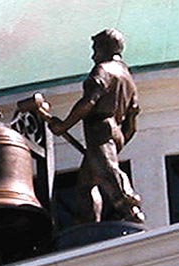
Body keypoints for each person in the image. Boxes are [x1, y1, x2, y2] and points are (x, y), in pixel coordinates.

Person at [49, 28, 145, 224]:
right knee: (86, 186)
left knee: (108, 172)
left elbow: (89, 102)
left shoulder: (103, 70)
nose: (93, 55)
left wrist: (63, 126)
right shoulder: (128, 79)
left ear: (105, 48)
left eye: (96, 49)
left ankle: (131, 210)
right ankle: (88, 223)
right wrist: (119, 140)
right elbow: (132, 122)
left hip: (100, 129)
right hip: (114, 131)